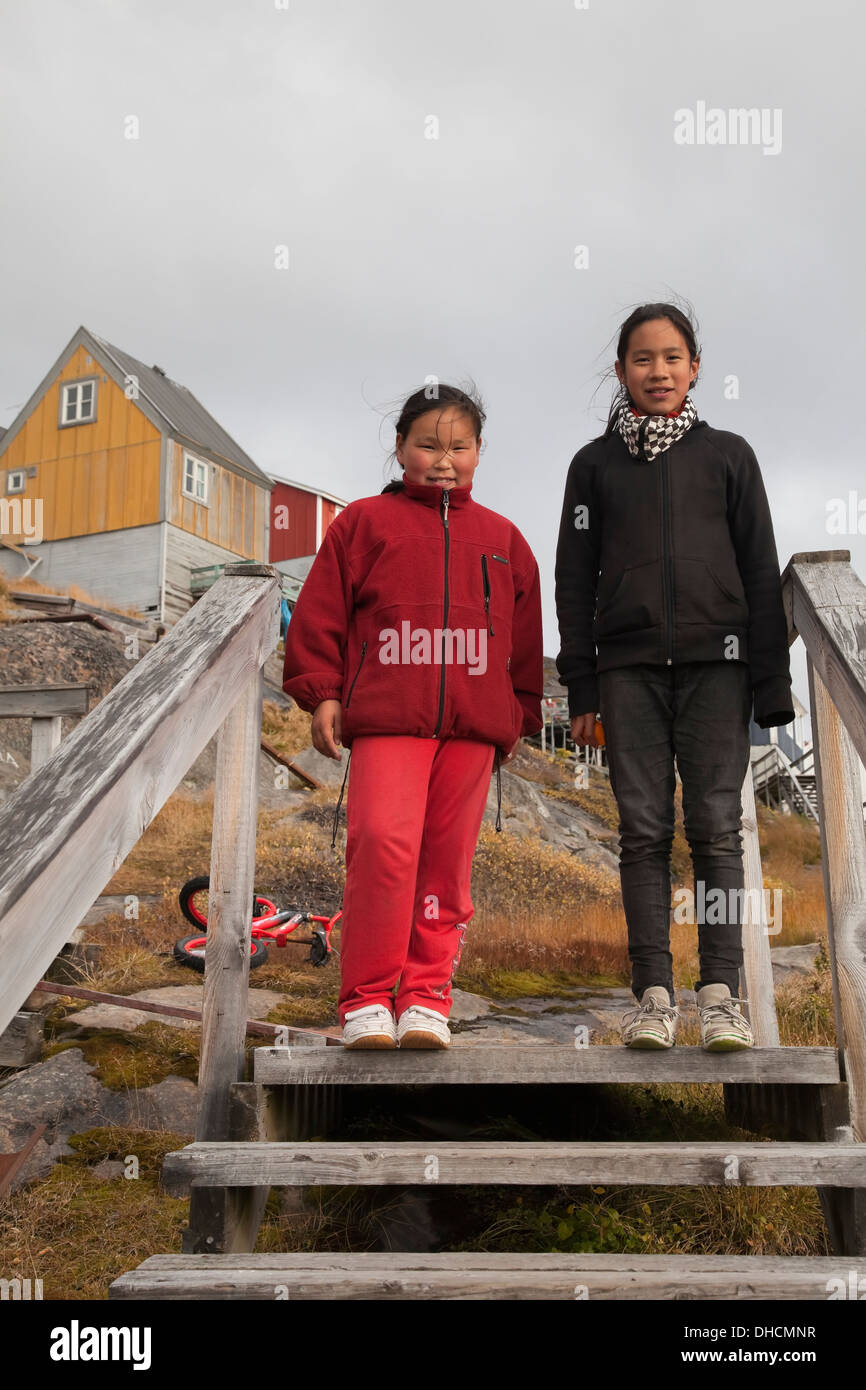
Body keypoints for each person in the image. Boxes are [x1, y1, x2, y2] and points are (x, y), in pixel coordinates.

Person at [555, 303, 794, 1051]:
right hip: (627, 672)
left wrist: (771, 681)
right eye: (641, 359)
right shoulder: (592, 467)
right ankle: (654, 996)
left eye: (671, 357)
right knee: (644, 834)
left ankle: (721, 994)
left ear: (694, 367)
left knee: (718, 831)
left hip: (717, 669)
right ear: (621, 370)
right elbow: (573, 577)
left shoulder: (730, 456)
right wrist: (582, 686)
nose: (657, 371)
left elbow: (760, 568)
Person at [283, 385, 543, 1049]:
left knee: (447, 864)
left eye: (459, 446)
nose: (443, 458)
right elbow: (320, 612)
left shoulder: (506, 540)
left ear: (480, 452)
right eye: (428, 444)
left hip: (473, 729)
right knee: (381, 845)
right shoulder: (362, 523)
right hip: (389, 716)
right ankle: (368, 1000)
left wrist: (518, 714)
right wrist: (324, 691)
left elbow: (524, 639)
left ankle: (427, 997)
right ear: (400, 448)